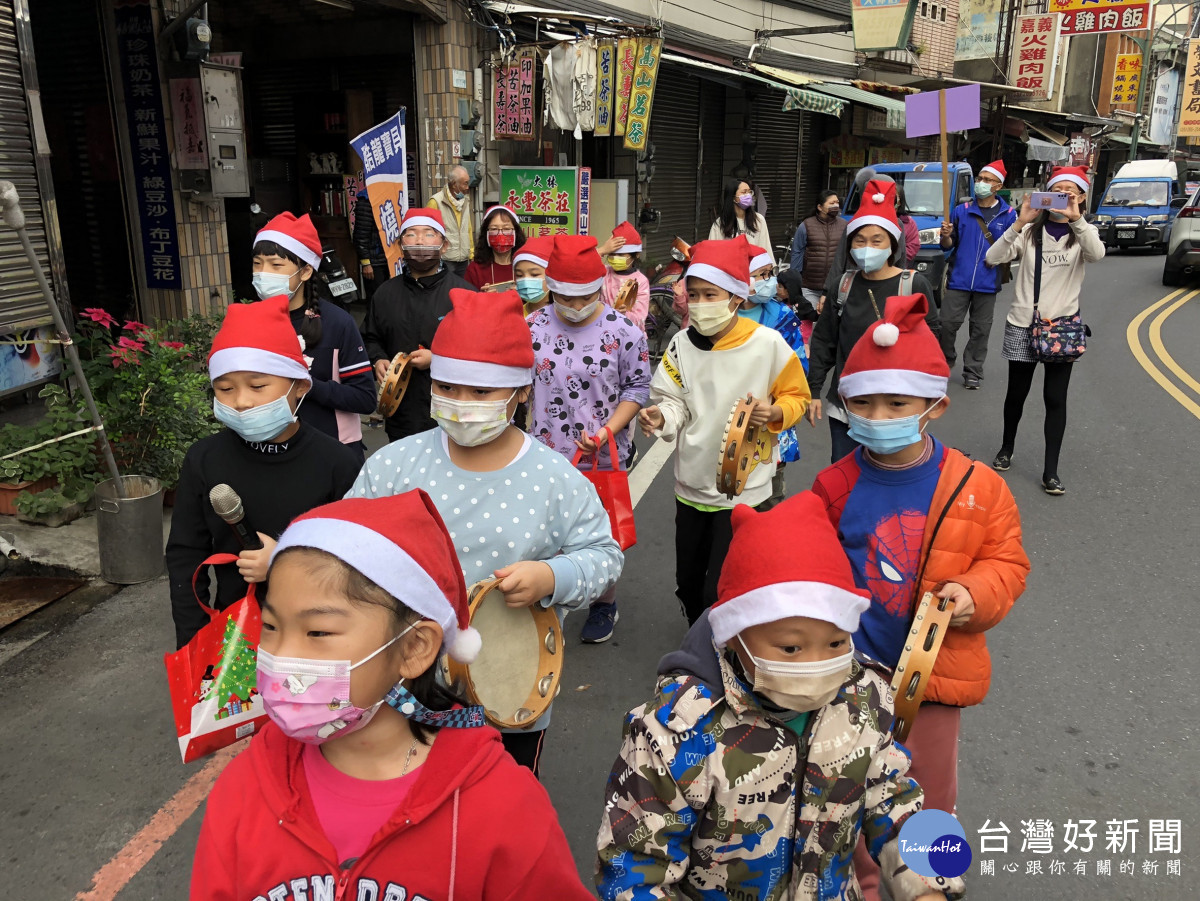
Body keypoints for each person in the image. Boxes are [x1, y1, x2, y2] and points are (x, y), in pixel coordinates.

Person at [191, 491, 595, 900]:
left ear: (415, 648)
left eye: (318, 633)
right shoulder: (246, 788)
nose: (281, 656)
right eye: (273, 626)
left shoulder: (501, 807)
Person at [595, 492, 965, 901]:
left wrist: (933, 882)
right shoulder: (674, 734)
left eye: (836, 642)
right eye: (791, 648)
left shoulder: (864, 699)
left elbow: (896, 796)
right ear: (734, 637)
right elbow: (633, 872)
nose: (817, 663)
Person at [349, 287, 623, 776]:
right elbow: (347, 544)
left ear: (521, 392)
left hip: (509, 688)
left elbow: (603, 555)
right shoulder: (393, 466)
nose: (461, 404)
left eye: (481, 392)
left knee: (501, 806)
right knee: (407, 798)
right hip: (403, 682)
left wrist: (551, 576)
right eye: (448, 388)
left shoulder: (555, 478)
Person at [812, 291, 1029, 900]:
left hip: (933, 680)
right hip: (851, 678)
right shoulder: (834, 485)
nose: (878, 415)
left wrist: (973, 592)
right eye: (863, 402)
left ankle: (935, 884)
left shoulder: (977, 487)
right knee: (847, 792)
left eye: (897, 402)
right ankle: (864, 886)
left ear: (934, 404)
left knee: (930, 792)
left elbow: (1006, 561)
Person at [165, 297, 360, 649]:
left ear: (300, 387)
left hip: (322, 640)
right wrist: (194, 643)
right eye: (225, 388)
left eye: (257, 386)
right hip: (233, 636)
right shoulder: (204, 459)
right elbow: (184, 555)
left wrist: (285, 564)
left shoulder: (337, 462)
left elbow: (360, 558)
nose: (240, 401)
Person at [638, 239, 809, 625]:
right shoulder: (682, 344)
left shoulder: (767, 344)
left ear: (735, 296)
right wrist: (661, 418)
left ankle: (723, 643)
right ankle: (700, 631)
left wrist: (777, 411)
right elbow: (673, 400)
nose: (699, 302)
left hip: (745, 489)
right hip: (692, 485)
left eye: (709, 294)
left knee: (726, 583)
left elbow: (796, 396)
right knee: (688, 581)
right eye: (693, 293)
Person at [529, 235, 651, 643]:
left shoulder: (625, 331)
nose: (576, 306)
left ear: (602, 286)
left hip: (603, 452)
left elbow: (637, 388)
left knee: (602, 532)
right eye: (565, 296)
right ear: (551, 288)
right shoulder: (532, 326)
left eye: (585, 297)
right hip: (544, 452)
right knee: (547, 531)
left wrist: (606, 432)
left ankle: (604, 602)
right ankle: (547, 597)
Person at [984, 165, 1104, 495]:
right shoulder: (1028, 233)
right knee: (1016, 394)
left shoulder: (1082, 234)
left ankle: (1051, 471)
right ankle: (1007, 448)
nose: (1063, 196)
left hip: (1062, 329)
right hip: (1023, 324)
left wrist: (1077, 219)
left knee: (1055, 398)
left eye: (1070, 190)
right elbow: (993, 258)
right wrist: (1020, 221)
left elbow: (1097, 254)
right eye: (1057, 190)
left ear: (1080, 196)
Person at [806, 179, 939, 464]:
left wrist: (927, 394)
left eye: (876, 240)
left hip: (897, 408)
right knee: (844, 475)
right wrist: (814, 390)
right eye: (859, 240)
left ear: (892, 244)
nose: (867, 247)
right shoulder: (842, 285)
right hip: (847, 405)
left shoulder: (914, 284)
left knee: (891, 474)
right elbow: (824, 340)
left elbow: (935, 338)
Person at [251, 212, 376, 461]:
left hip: (332, 451)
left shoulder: (337, 323)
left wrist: (305, 384)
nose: (263, 273)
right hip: (267, 451)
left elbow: (364, 398)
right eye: (257, 263)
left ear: (306, 271)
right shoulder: (249, 321)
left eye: (276, 265)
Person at [361, 207, 472, 442]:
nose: (420, 241)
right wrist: (377, 359)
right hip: (402, 410)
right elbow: (370, 337)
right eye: (411, 234)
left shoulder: (464, 294)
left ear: (444, 245)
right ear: (400, 245)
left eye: (429, 233)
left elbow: (479, 350)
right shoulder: (385, 294)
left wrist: (438, 359)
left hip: (453, 411)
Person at [938, 160, 1018, 390]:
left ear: (998, 185)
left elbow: (1012, 248)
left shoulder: (1009, 215)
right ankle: (944, 363)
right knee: (946, 324)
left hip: (988, 281)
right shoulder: (961, 211)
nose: (981, 183)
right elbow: (948, 245)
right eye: (980, 178)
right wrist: (945, 236)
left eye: (987, 179)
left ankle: (972, 371)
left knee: (980, 329)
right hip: (958, 279)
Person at [738, 241, 807, 503]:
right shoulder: (722, 316)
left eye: (771, 273)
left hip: (772, 418)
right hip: (729, 419)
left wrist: (779, 406)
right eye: (762, 275)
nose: (771, 280)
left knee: (770, 494)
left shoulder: (783, 316)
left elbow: (798, 366)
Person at [790, 189, 846, 348]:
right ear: (820, 207)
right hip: (809, 285)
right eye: (831, 203)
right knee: (807, 325)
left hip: (835, 287)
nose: (836, 205)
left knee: (831, 325)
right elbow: (797, 252)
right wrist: (795, 279)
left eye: (837, 202)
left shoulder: (844, 226)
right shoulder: (806, 225)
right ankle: (806, 355)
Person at [596, 221, 650, 331]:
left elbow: (640, 319)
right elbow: (580, 267)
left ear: (636, 255)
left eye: (620, 255)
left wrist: (625, 314)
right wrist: (601, 250)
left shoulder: (640, 281)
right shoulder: (604, 272)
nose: (615, 258)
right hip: (604, 333)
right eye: (612, 254)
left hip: (629, 336)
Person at [708, 177, 774, 264]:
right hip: (728, 273)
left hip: (753, 273)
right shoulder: (720, 223)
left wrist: (771, 271)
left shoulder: (759, 220)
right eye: (744, 192)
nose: (748, 195)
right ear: (733, 197)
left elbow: (766, 249)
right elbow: (712, 253)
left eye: (750, 192)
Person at [426, 165, 474, 277]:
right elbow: (428, 231)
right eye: (465, 183)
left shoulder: (465, 201)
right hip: (445, 259)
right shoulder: (436, 202)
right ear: (454, 184)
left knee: (461, 291)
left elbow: (468, 228)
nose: (468, 187)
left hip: (463, 260)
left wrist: (471, 253)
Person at [465, 205, 526, 290]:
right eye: (494, 229)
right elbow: (467, 300)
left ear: (516, 232)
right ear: (486, 234)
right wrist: (482, 297)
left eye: (506, 228)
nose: (500, 234)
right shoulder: (475, 269)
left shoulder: (526, 265)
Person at [352, 189, 390, 299]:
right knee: (376, 300)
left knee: (389, 300)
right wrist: (366, 264)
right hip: (375, 262)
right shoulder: (366, 201)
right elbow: (360, 236)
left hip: (389, 259)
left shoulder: (391, 193)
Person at [514, 235, 556, 318]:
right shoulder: (515, 316)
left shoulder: (563, 317)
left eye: (534, 274)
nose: (526, 281)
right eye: (519, 275)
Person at [895, 182, 922, 266]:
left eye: (894, 198)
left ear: (900, 201)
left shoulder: (908, 222)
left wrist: (893, 260)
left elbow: (912, 247)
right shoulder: (872, 220)